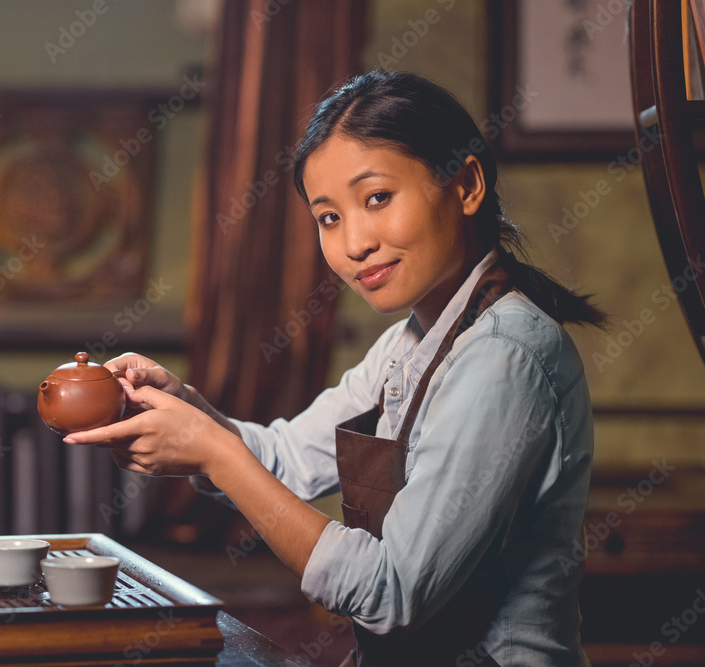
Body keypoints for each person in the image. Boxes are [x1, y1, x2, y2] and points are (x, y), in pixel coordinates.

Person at [65, 70, 605, 666]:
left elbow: (388, 593)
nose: (354, 244)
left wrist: (213, 451)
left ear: (466, 184)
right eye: (328, 217)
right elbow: (286, 461)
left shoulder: (504, 358)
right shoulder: (411, 343)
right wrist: (184, 407)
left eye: (377, 198)